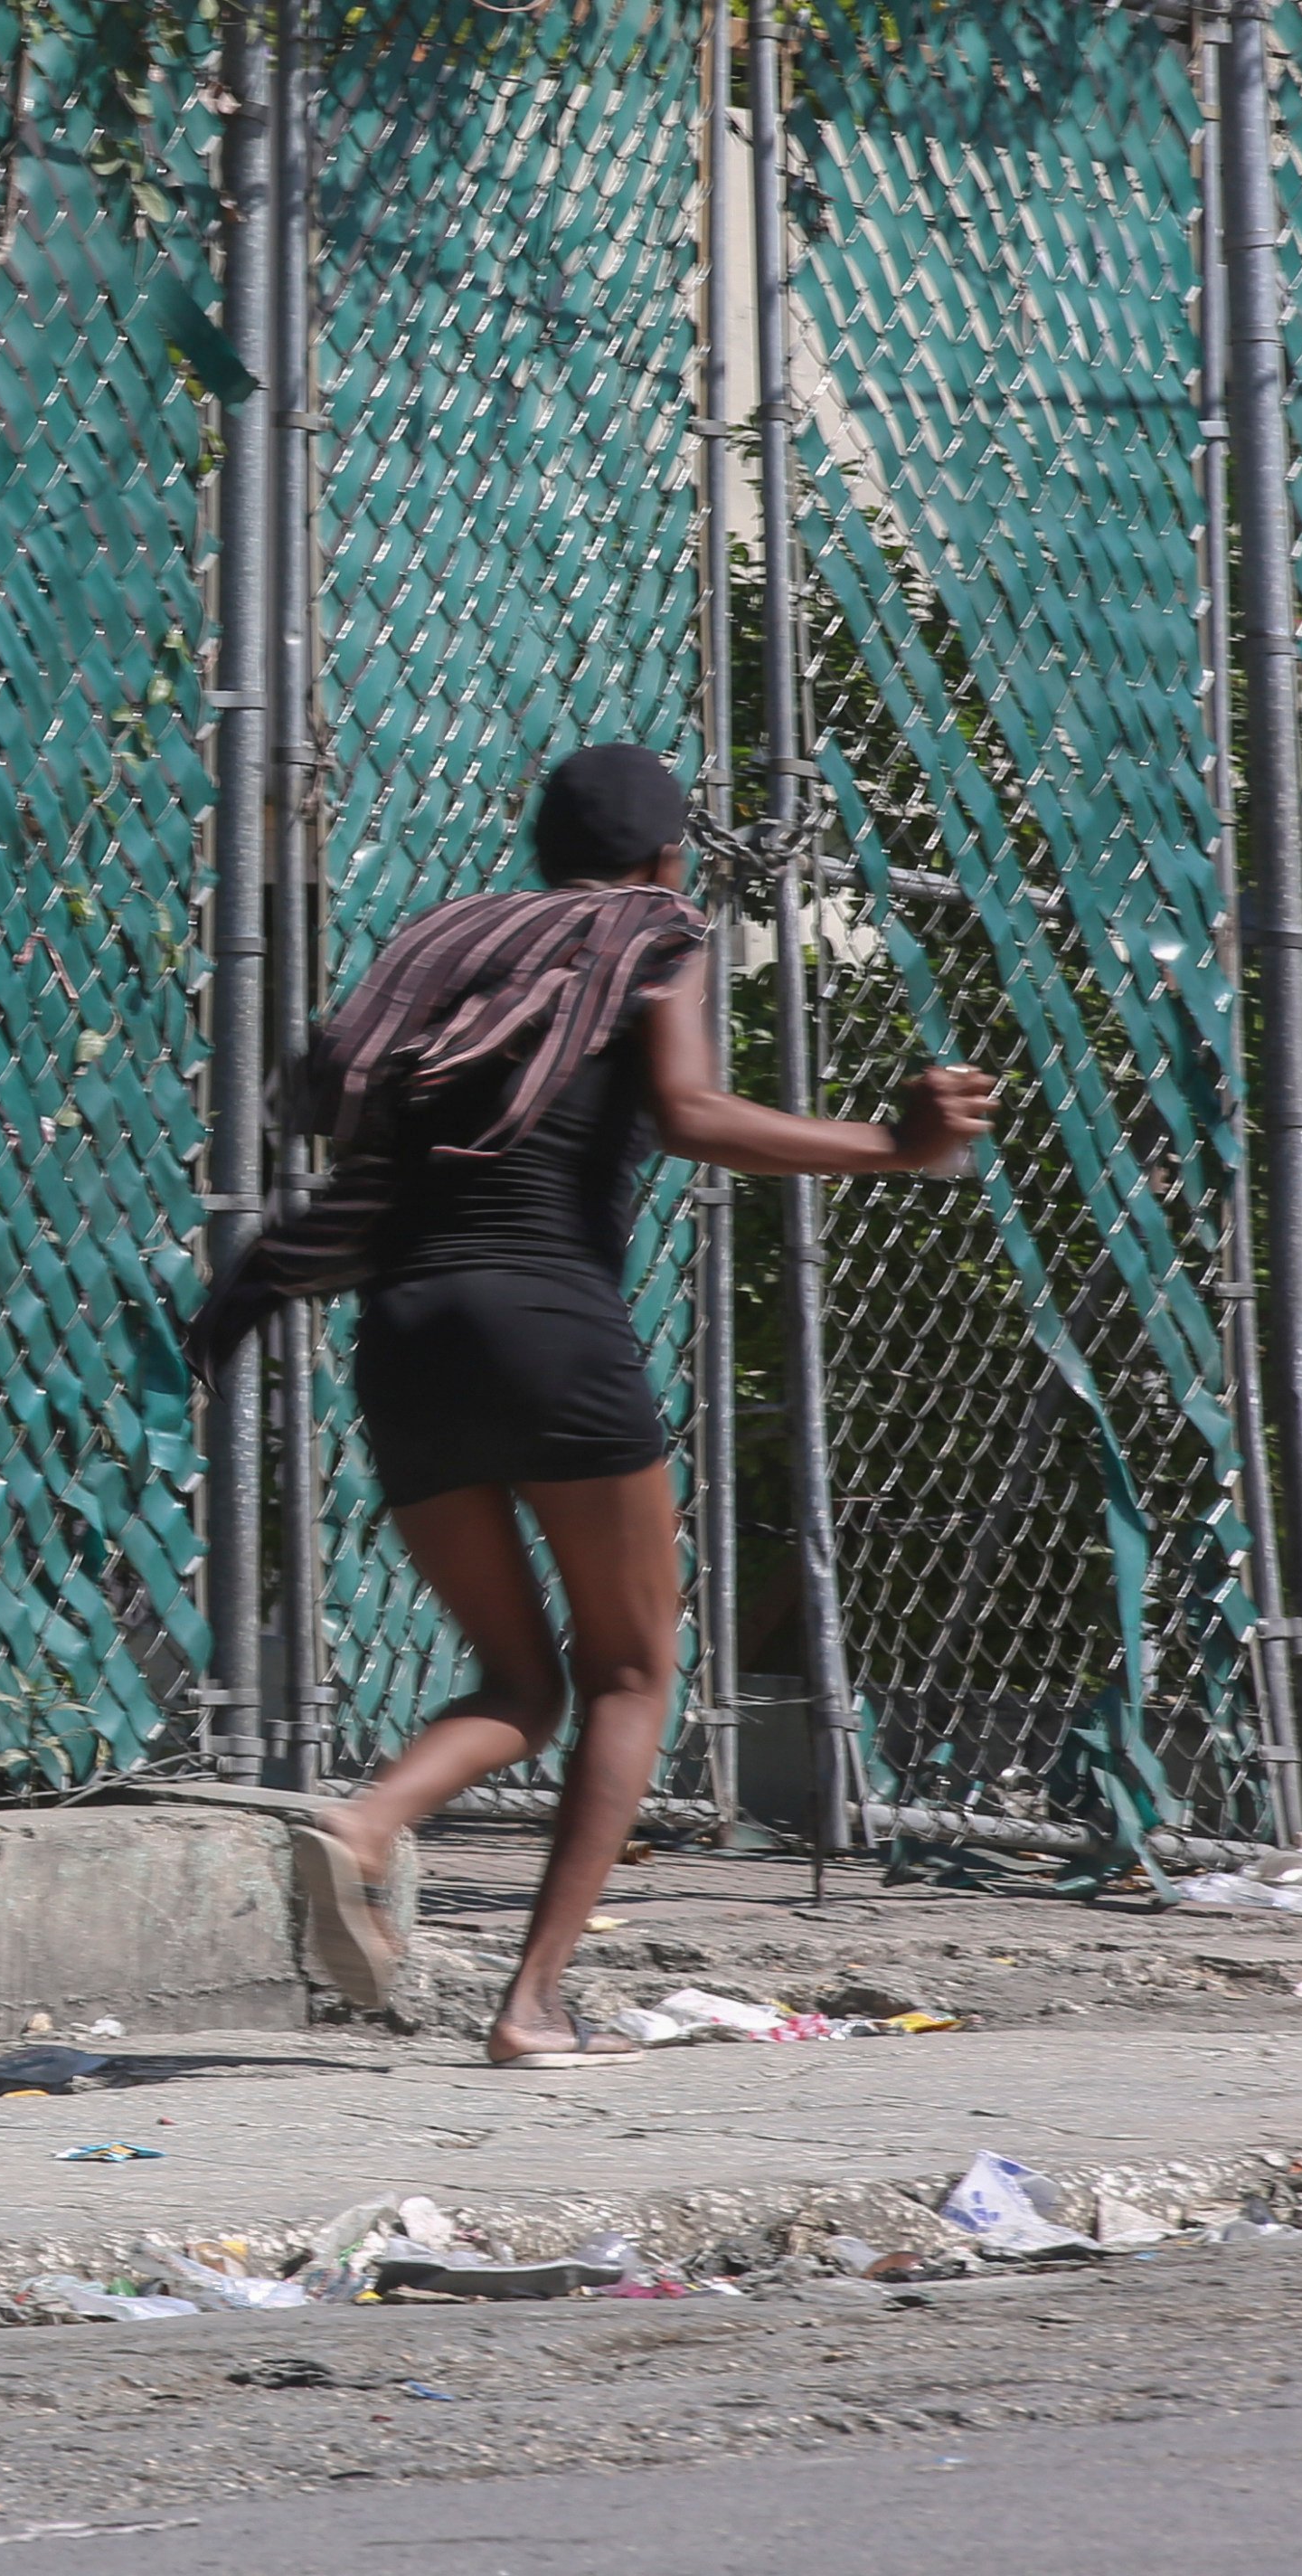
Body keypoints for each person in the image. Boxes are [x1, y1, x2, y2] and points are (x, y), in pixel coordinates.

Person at [189, 744, 995, 2067]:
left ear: (533, 846)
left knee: (518, 1679)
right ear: (670, 858)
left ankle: (363, 1823)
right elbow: (682, 1108)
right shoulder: (652, 935)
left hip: (403, 1342)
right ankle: (531, 2005)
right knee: (625, 1671)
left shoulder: (446, 950)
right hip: (549, 1331)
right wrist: (890, 1148)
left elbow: (348, 1144)